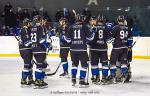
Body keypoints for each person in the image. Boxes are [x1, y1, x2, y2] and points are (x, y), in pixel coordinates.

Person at [63, 14, 94, 87]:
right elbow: (91, 38)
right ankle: (81, 80)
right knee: (84, 65)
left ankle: (73, 78)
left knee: (74, 64)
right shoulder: (84, 26)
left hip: (73, 49)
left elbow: (67, 40)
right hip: (82, 49)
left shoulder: (71, 27)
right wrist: (92, 33)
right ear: (82, 19)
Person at [109, 15, 132, 83]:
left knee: (112, 62)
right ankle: (124, 76)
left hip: (116, 47)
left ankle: (113, 76)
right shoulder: (128, 28)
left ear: (118, 20)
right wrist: (130, 46)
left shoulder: (115, 27)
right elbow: (130, 38)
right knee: (124, 62)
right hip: (125, 48)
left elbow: (110, 38)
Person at [89, 15, 111, 84]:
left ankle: (96, 77)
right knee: (104, 64)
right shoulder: (106, 27)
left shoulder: (93, 26)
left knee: (94, 64)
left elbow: (89, 38)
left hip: (94, 49)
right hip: (103, 49)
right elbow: (109, 40)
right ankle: (104, 78)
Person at [30, 15, 48, 88]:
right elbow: (41, 40)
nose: (42, 21)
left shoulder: (32, 28)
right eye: (41, 19)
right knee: (40, 66)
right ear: (39, 20)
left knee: (42, 65)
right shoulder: (40, 27)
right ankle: (37, 81)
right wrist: (47, 43)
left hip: (34, 49)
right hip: (40, 49)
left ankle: (40, 80)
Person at [18, 18, 34, 87]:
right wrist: (34, 42)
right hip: (25, 50)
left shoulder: (27, 30)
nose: (30, 24)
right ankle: (23, 80)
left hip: (27, 49)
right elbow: (26, 43)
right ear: (26, 23)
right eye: (29, 22)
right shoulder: (24, 30)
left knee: (30, 65)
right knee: (27, 65)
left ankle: (30, 79)